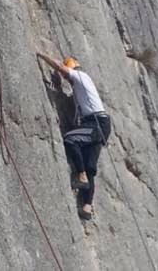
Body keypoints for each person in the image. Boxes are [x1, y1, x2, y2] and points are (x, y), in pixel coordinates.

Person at [37, 52, 112, 221]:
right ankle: (87, 206)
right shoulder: (79, 89)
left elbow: (59, 67)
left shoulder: (81, 76)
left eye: (66, 76)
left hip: (96, 123)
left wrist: (41, 55)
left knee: (71, 139)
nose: (67, 79)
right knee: (90, 165)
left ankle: (81, 175)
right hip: (99, 124)